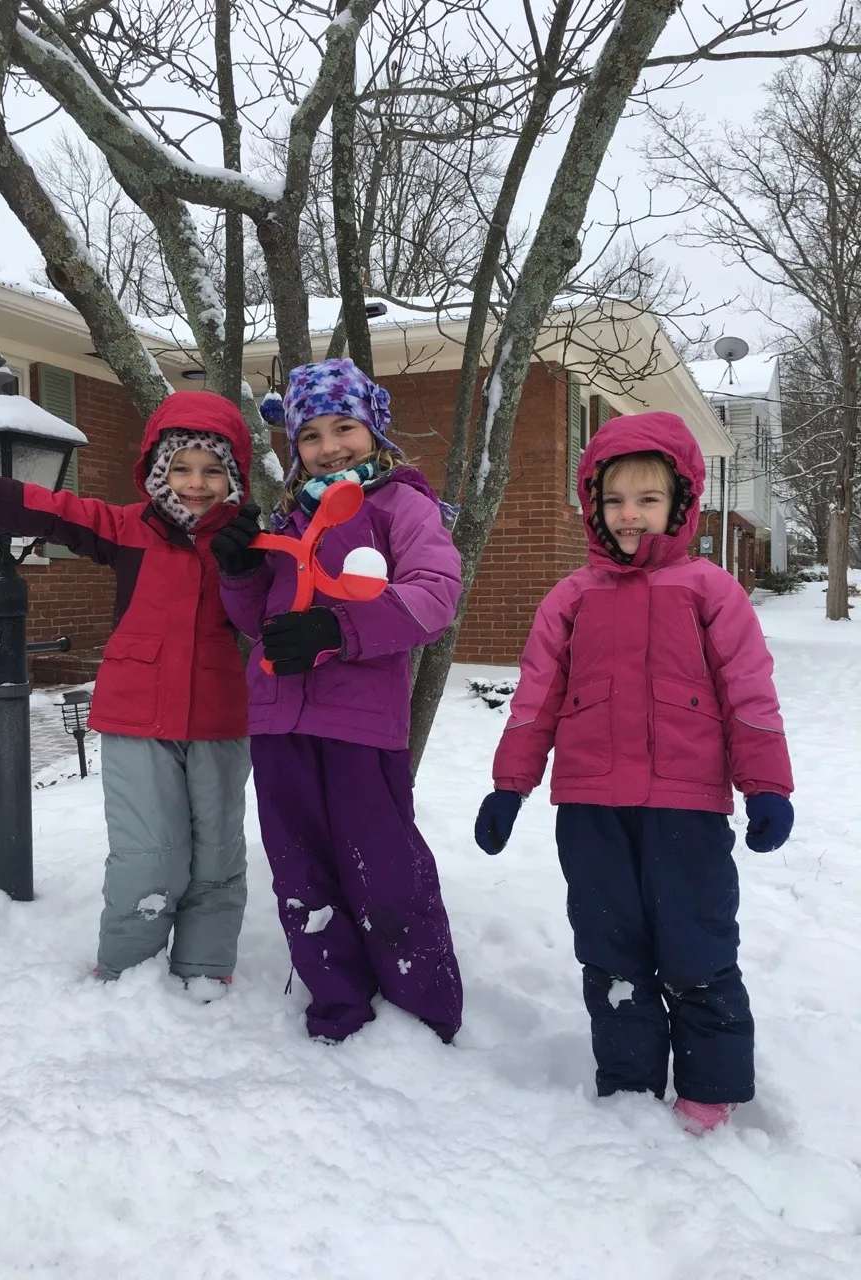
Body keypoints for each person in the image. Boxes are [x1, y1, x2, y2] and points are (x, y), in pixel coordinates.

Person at [473, 411, 795, 1135]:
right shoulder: (571, 598)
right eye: (616, 499)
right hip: (591, 808)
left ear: (681, 504)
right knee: (610, 947)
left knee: (697, 947)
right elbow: (534, 701)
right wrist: (509, 785)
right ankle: (627, 1082)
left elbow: (750, 691)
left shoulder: (711, 592)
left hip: (686, 809)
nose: (630, 515)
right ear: (593, 505)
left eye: (648, 500)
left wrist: (767, 786)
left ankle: (710, 1089)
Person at [0, 392, 253, 989]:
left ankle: (205, 971)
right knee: (150, 856)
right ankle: (128, 975)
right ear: (157, 472)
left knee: (218, 857)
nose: (196, 484)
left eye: (213, 470)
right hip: (137, 718)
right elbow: (42, 505)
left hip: (220, 718)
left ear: (235, 475)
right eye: (181, 468)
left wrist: (247, 563)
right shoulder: (126, 530)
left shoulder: (248, 542)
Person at [211, 356, 463, 1043]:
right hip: (278, 721)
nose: (329, 445)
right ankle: (338, 1007)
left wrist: (339, 628)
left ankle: (422, 1011)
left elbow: (434, 596)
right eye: (312, 434)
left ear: (375, 429)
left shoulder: (401, 506)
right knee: (301, 875)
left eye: (344, 426)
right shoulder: (291, 517)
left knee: (384, 872)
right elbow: (257, 617)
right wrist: (238, 571)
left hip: (359, 728)